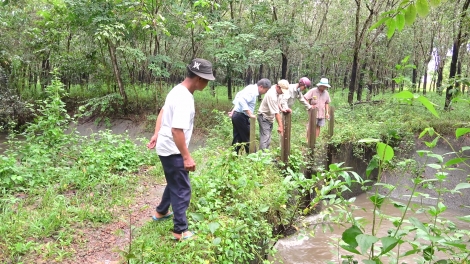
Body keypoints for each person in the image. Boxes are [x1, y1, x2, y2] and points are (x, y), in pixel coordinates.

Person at [147, 58, 215, 240]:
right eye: (207, 80)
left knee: (174, 181)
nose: (207, 83)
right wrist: (186, 157)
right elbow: (176, 129)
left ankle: (161, 212)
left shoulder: (177, 89)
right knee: (182, 189)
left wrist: (156, 133)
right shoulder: (185, 98)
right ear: (199, 79)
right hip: (172, 149)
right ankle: (180, 230)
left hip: (165, 145)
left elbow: (163, 112)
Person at [229, 78, 272, 154]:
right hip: (241, 117)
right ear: (261, 87)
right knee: (249, 138)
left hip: (237, 115)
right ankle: (253, 158)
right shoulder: (252, 91)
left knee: (238, 138)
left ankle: (233, 156)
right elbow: (242, 100)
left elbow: (239, 97)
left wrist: (233, 111)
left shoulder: (250, 88)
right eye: (266, 90)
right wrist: (250, 114)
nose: (265, 92)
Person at [257, 79, 291, 150]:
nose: (282, 92)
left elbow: (277, 102)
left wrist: (282, 109)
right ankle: (261, 157)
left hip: (269, 117)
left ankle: (266, 156)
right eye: (282, 90)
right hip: (264, 117)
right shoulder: (271, 95)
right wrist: (280, 126)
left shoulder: (276, 91)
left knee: (268, 137)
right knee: (265, 137)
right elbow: (276, 113)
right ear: (278, 87)